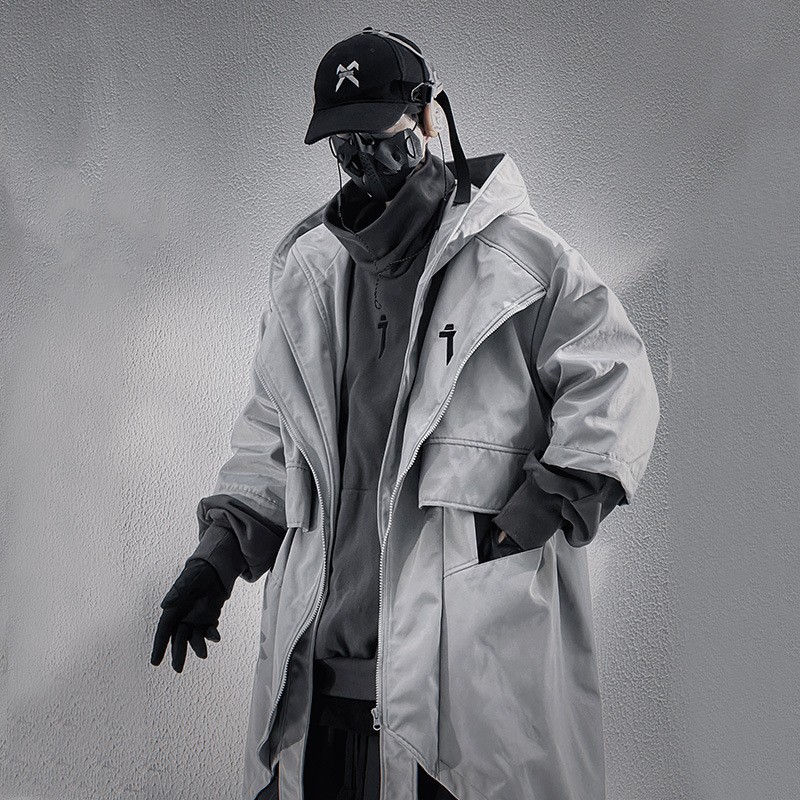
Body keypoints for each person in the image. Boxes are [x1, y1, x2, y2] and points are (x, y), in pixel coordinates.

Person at [151, 27, 660, 800]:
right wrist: (217, 559)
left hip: (459, 707)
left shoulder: (522, 264)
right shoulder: (310, 278)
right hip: (320, 694)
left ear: (430, 117)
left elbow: (616, 382)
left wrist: (533, 514)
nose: (366, 164)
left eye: (381, 140)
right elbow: (271, 437)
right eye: (346, 148)